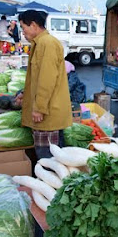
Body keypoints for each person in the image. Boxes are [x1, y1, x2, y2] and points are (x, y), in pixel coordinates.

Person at [16, 10, 72, 159]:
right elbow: (36, 78)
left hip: (48, 112)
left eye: (23, 27)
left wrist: (39, 108)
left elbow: (47, 79)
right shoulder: (40, 43)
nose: (23, 32)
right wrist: (24, 94)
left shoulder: (47, 43)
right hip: (46, 110)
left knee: (48, 158)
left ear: (33, 25)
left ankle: (51, 182)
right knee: (50, 155)